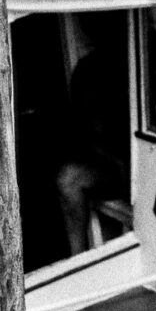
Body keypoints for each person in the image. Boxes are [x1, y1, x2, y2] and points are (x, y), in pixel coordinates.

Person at [56, 26, 130, 256]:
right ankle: (78, 258)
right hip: (111, 166)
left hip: (146, 162)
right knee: (67, 182)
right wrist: (114, 161)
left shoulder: (143, 61)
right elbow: (85, 130)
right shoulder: (87, 71)